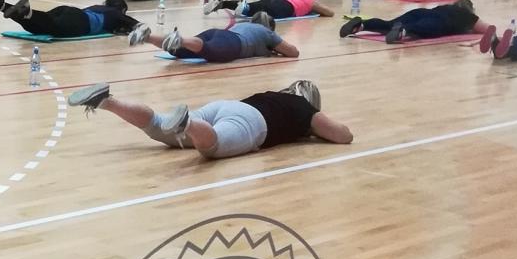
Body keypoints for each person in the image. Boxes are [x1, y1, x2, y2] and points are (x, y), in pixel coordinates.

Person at [67, 78, 351, 158]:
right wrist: (313, 126)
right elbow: (342, 136)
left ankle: (106, 101)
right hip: (252, 122)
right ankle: (188, 124)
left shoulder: (271, 95)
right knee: (213, 146)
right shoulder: (303, 108)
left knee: (158, 128)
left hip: (224, 107)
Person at [128, 18, 303, 64]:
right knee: (209, 51)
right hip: (234, 43)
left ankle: (146, 36)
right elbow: (293, 52)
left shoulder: (244, 24)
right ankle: (180, 38)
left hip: (218, 33)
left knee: (178, 51)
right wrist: (275, 48)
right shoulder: (266, 32)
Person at [0, 0, 137, 37]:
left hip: (70, 11)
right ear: (122, 9)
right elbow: (136, 24)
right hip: (82, 22)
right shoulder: (116, 13)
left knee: (37, 27)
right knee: (52, 26)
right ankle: (27, 11)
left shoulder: (98, 7)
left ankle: (1, 5)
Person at [339, 0, 479, 43]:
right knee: (421, 28)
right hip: (437, 21)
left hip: (420, 12)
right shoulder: (467, 16)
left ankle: (362, 25)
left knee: (388, 24)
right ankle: (403, 31)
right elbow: (486, 29)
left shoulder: (444, 7)